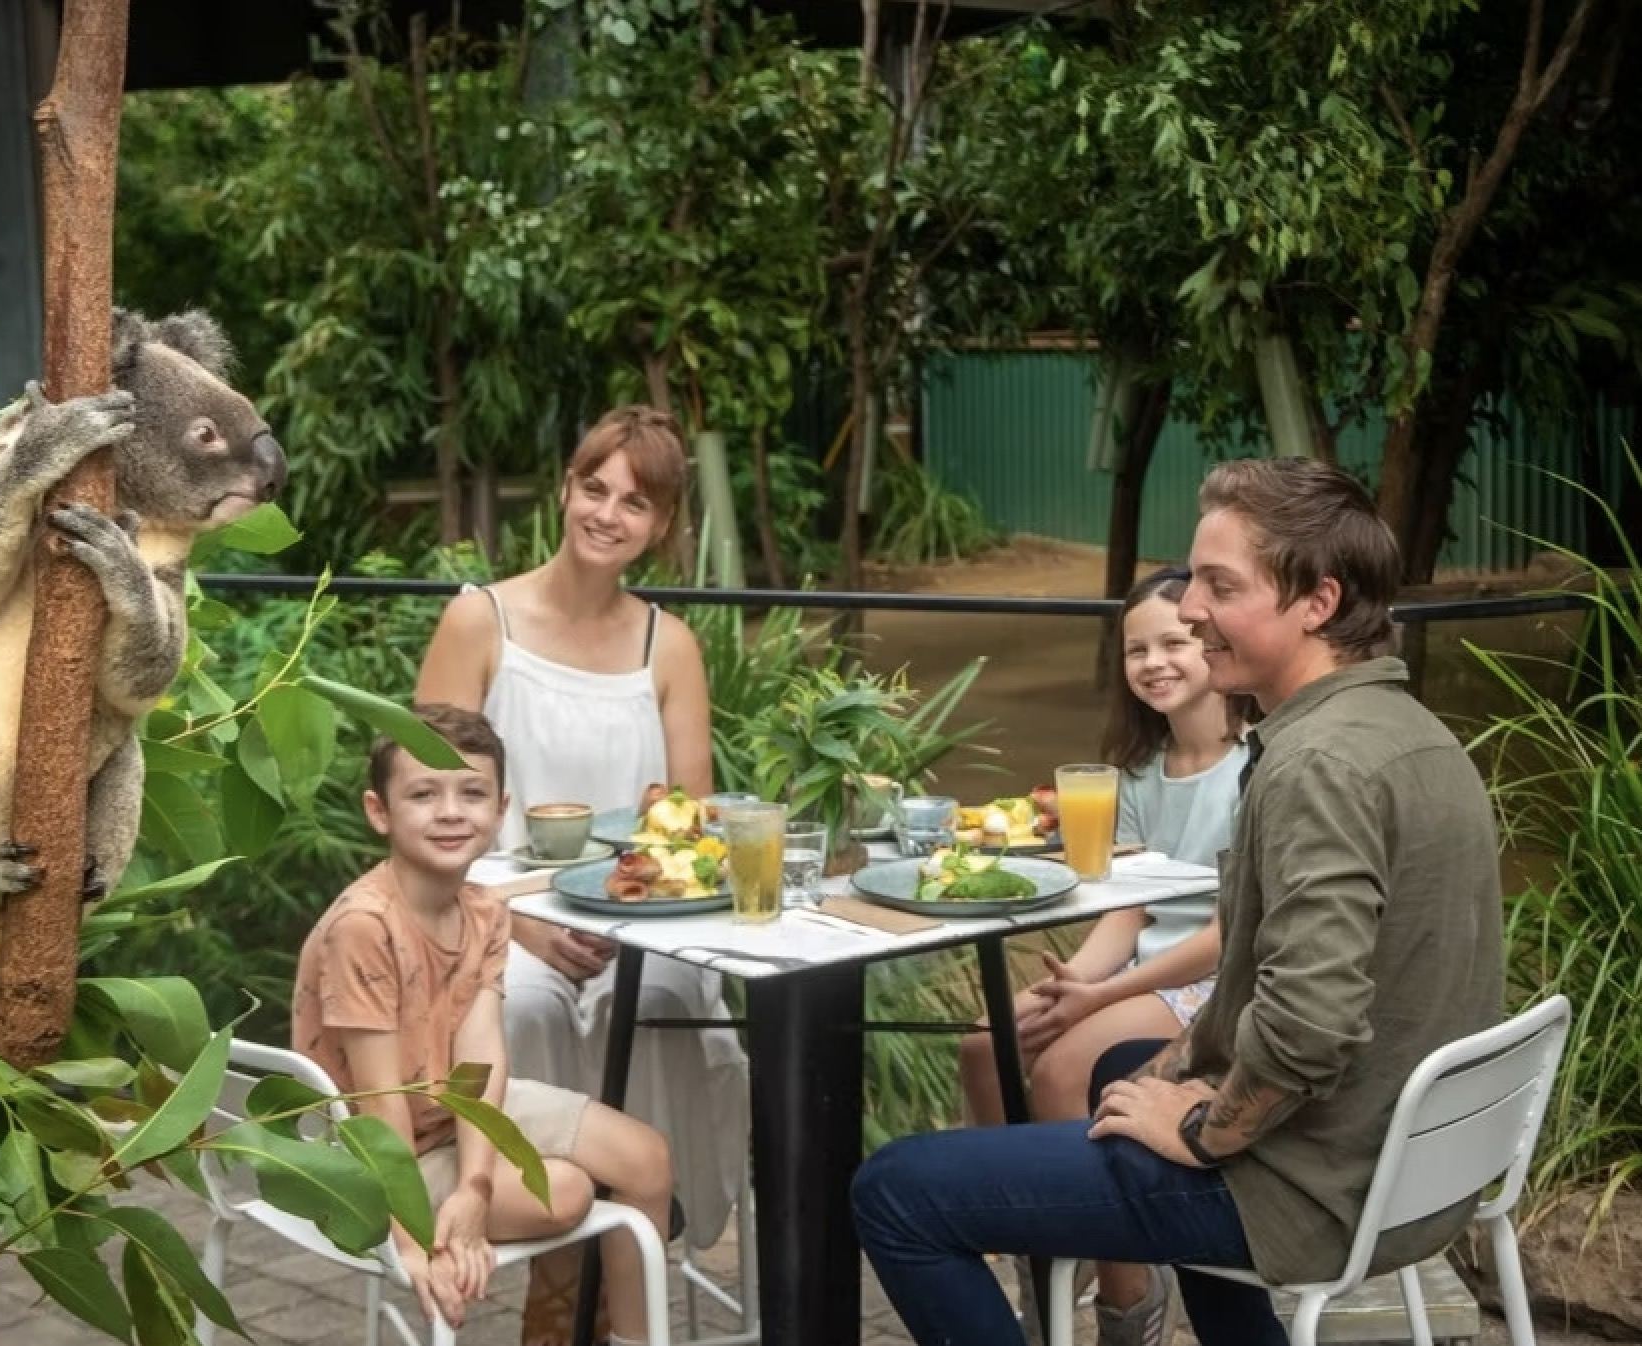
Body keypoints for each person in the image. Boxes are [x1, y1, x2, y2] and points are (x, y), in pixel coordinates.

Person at [853, 457, 1504, 1345]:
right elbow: (1264, 984)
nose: (1190, 608)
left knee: (896, 1191)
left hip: (1310, 1185)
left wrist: (1201, 1129)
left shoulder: (1318, 767)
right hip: (1405, 1169)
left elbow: (1309, 1027)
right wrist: (1161, 1078)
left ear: (1317, 601)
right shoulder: (1411, 733)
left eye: (1219, 584)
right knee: (1123, 1061)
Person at [415, 406, 749, 1339]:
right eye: (593, 488)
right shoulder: (481, 620)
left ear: (662, 524)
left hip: (633, 918)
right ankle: (564, 1288)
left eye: (634, 502)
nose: (608, 513)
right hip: (494, 909)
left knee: (674, 1006)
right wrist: (517, 923)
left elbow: (690, 831)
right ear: (564, 490)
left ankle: (638, 1243)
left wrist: (627, 909)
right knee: (523, 1005)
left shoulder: (667, 646)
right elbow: (425, 808)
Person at [292, 704, 674, 1344]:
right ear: (379, 811)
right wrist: (414, 1239)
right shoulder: (366, 926)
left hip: (444, 1107)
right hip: (369, 1152)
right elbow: (379, 1105)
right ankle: (554, 1329)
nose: (450, 811)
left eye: (471, 792)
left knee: (646, 1159)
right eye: (423, 793)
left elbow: (482, 1055)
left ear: (501, 811)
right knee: (568, 1191)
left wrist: (474, 1189)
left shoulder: (486, 912)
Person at [956, 566, 1255, 1342]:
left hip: (1215, 980)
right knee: (985, 1045)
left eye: (1174, 642)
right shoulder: (1136, 772)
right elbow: (1127, 917)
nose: (1154, 662)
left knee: (1061, 1071)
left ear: (1213, 642)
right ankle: (1047, 1258)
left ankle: (1125, 1297)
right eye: (1136, 651)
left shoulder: (1255, 767)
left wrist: (1105, 999)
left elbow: (1230, 934)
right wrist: (1075, 985)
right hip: (1143, 969)